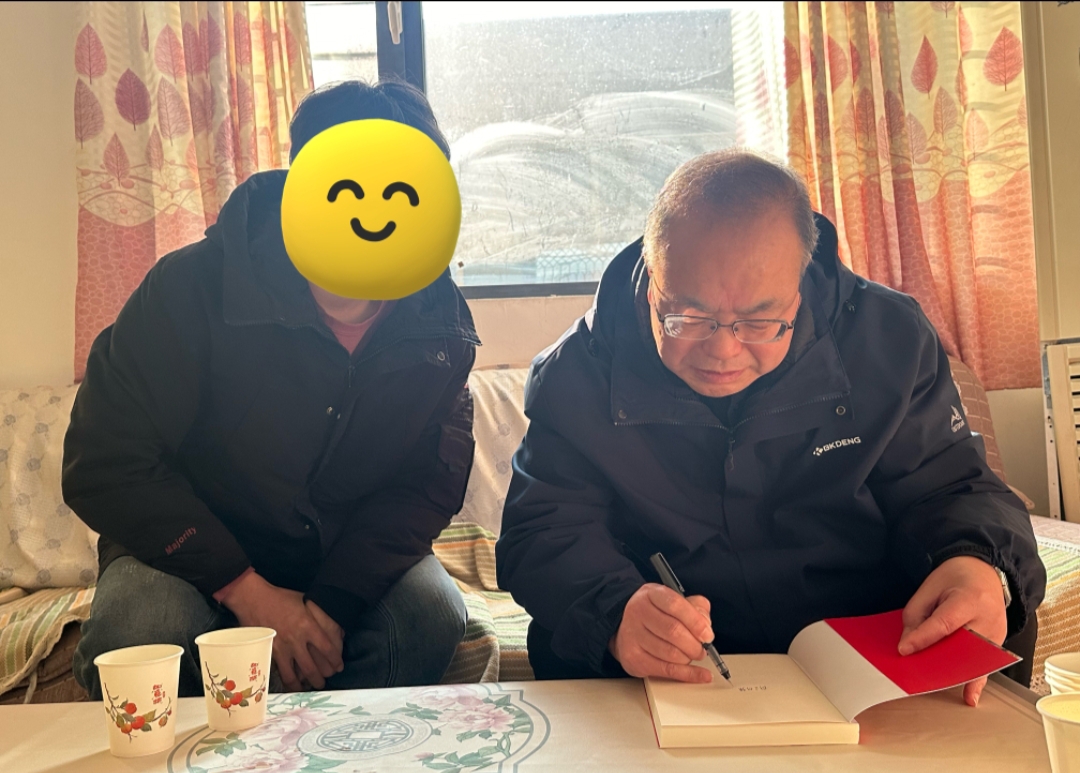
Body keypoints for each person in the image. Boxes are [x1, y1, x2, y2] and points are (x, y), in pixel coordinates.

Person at [496, 149, 1045, 705]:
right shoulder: (576, 373)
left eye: (759, 321)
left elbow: (952, 486)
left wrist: (980, 564)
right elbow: (543, 532)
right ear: (652, 279)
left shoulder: (888, 340)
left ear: (800, 286)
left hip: (864, 630)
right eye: (688, 317)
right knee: (575, 639)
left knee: (995, 606)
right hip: (676, 651)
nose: (723, 351)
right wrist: (616, 611)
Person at [66, 80, 478, 699]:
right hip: (189, 553)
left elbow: (426, 485)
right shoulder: (188, 288)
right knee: (139, 631)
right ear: (301, 185)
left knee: (431, 615)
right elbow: (103, 462)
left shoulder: (439, 324)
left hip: (337, 560)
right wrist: (247, 591)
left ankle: (319, 745)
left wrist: (332, 605)